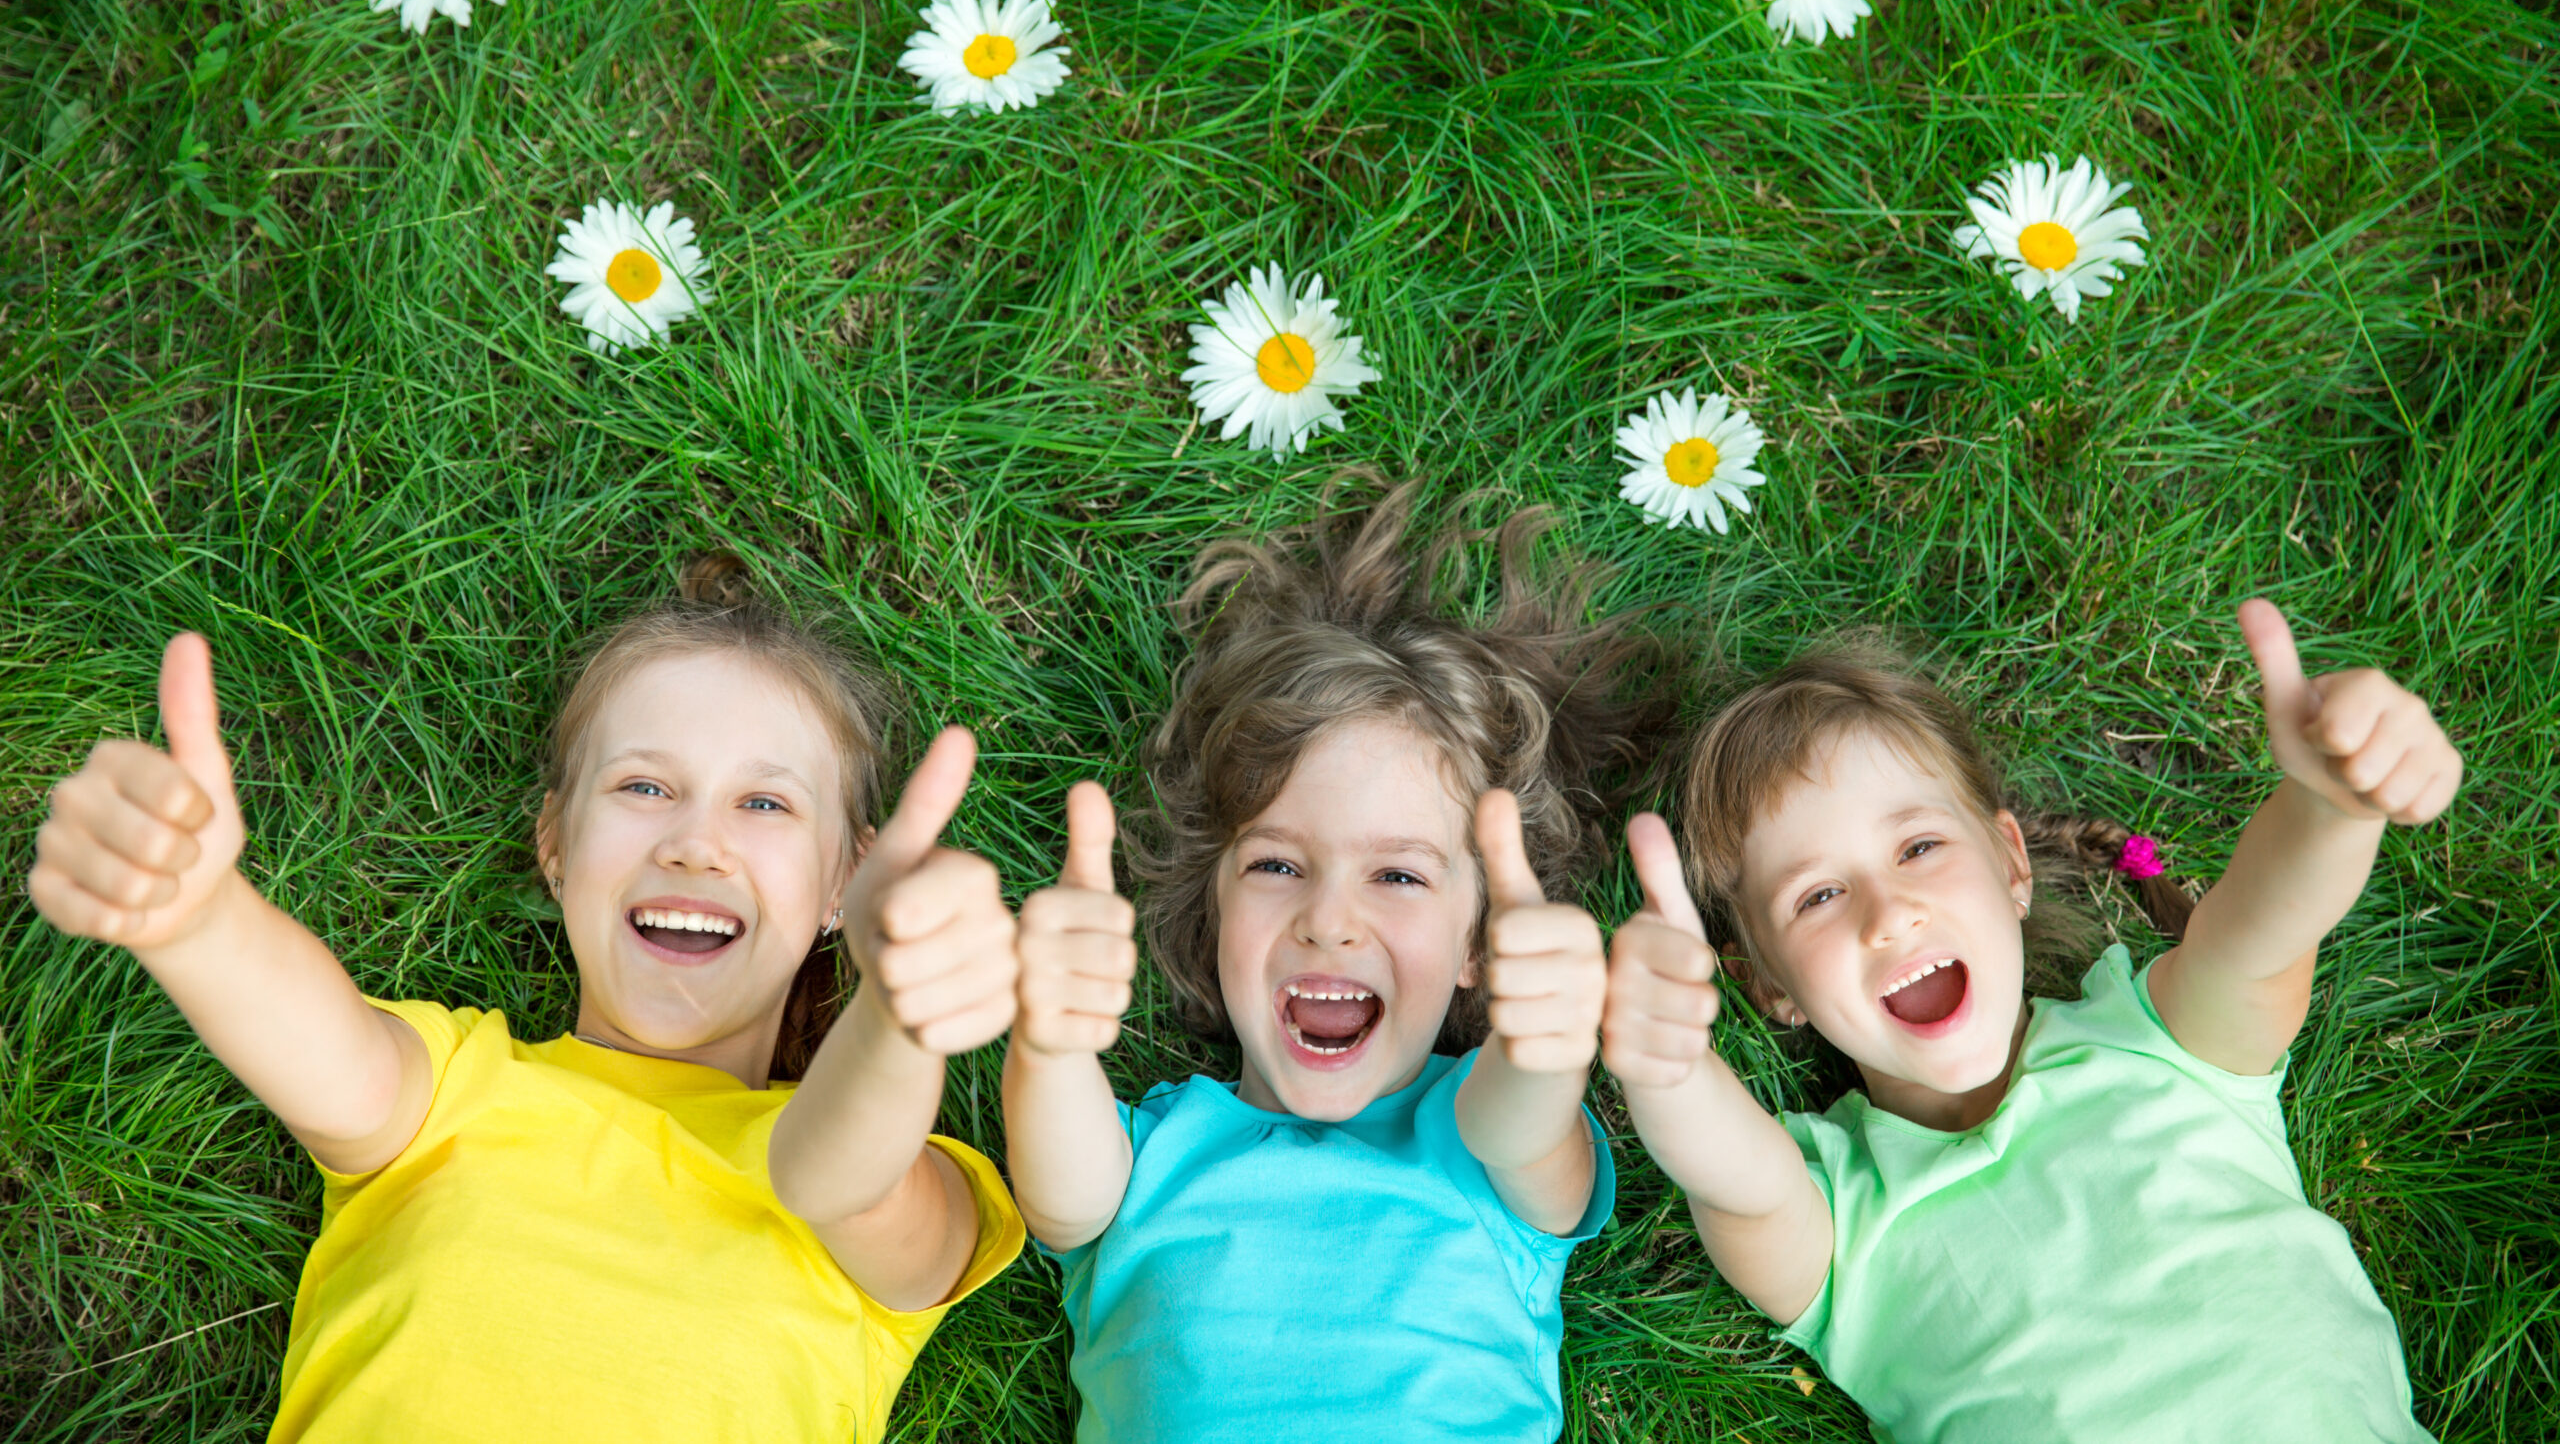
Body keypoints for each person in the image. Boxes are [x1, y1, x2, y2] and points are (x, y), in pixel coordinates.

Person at [25, 556, 1026, 1443]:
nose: (693, 840)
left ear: (842, 885)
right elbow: (325, 1054)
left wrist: (897, 1020)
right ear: (555, 846)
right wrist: (198, 922)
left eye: (764, 803)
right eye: (643, 787)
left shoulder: (886, 1171)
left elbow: (840, 1178)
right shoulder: (456, 1084)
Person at [1602, 600, 2461, 1441]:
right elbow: (1733, 1179)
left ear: (2012, 863)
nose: (1889, 914)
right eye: (1819, 895)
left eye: (1917, 847)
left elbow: (2264, 934)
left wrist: (2332, 809)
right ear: (1768, 985)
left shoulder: (2163, 1042)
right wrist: (1668, 1065)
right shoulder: (1839, 1221)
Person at [1004, 478, 1672, 1440]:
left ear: (1477, 946)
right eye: (1278, 863)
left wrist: (1545, 1042)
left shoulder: (1479, 1136)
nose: (1329, 919)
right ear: (1215, 904)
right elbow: (1061, 1200)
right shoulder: (1150, 1152)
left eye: (1397, 876)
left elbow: (1527, 1124)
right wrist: (1053, 1038)